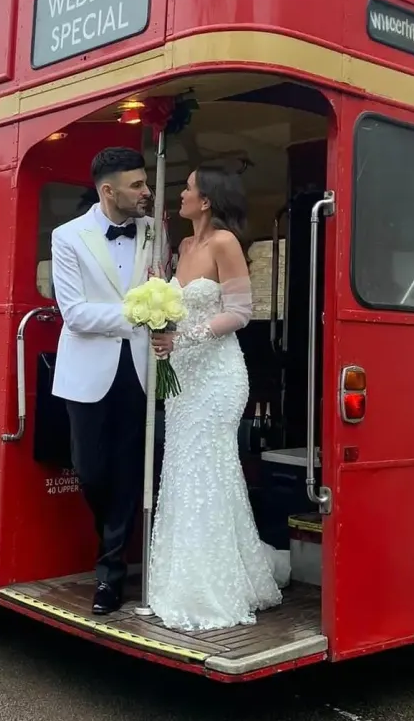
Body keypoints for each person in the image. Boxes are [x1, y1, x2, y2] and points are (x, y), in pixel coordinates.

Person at [145, 165, 284, 631]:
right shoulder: (183, 247)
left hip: (219, 377)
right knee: (184, 470)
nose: (181, 194)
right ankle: (185, 576)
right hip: (182, 379)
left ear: (206, 201)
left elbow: (241, 312)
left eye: (187, 188)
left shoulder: (225, 244)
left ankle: (212, 585)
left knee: (208, 469)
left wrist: (184, 338)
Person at [48, 146, 157, 616]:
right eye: (138, 185)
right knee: (91, 471)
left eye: (146, 182)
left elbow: (165, 284)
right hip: (87, 374)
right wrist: (141, 314)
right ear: (109, 191)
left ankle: (110, 575)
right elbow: (74, 314)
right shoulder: (66, 236)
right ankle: (110, 540)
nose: (147, 191)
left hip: (139, 369)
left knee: (131, 471)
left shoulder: (155, 233)